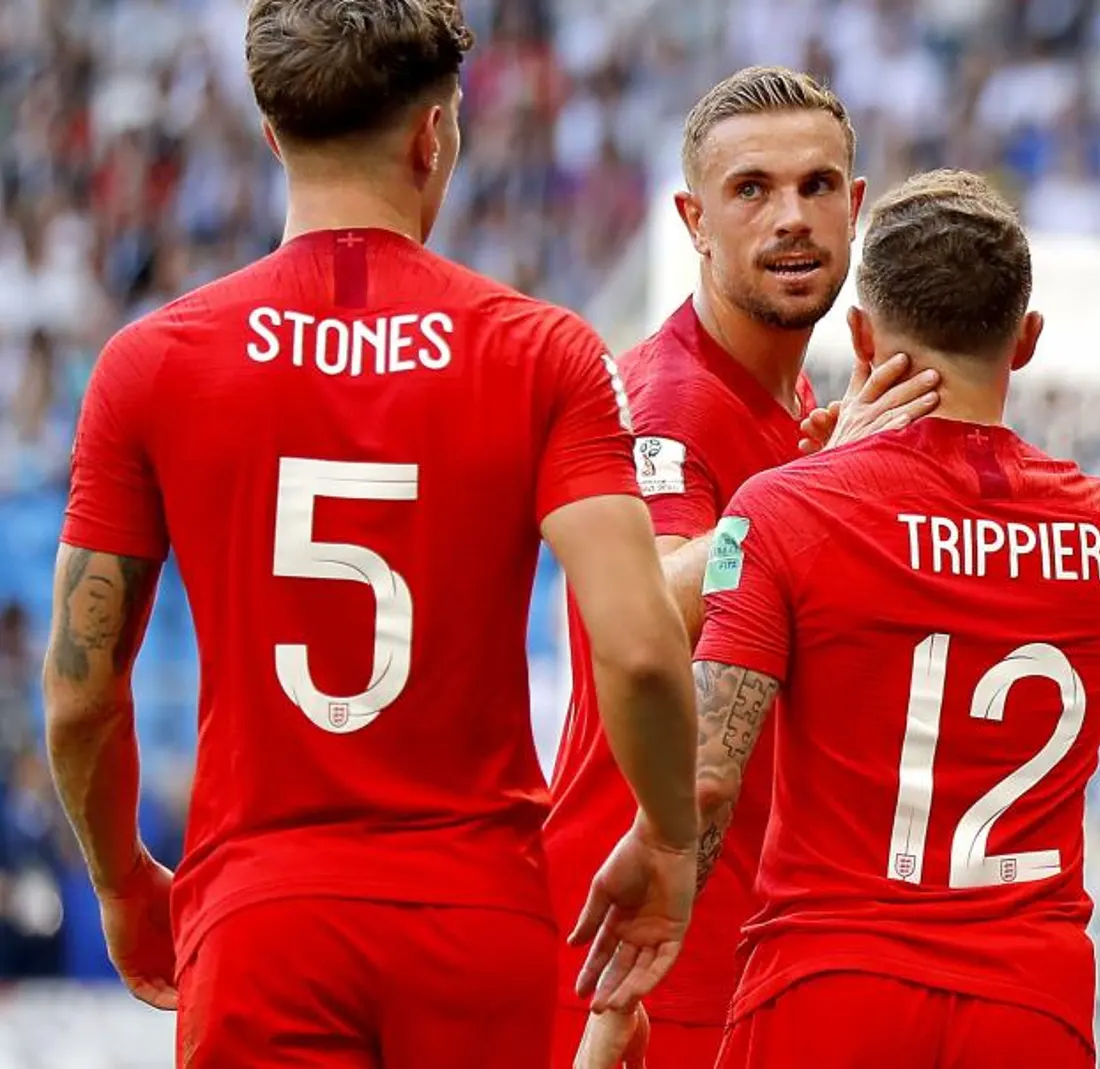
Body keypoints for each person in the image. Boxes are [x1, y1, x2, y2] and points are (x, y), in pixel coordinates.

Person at [41, 3, 700, 1066]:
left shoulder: (150, 362)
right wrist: (670, 840)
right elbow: (636, 649)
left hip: (262, 914)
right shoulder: (545, 354)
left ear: (273, 135)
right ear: (434, 135)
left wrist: (121, 877)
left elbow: (79, 689)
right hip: (477, 916)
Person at [580, 169, 1100, 1069]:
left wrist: (658, 890)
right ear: (1027, 341)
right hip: (1031, 1001)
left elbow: (705, 776)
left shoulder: (787, 512)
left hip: (831, 984)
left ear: (858, 334)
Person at [544, 66, 938, 1069]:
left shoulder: (792, 399)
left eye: (815, 187)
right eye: (751, 189)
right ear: (693, 220)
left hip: (739, 931)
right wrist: (820, 482)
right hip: (639, 952)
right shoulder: (667, 401)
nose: (790, 218)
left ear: (855, 209)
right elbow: (659, 601)